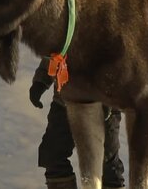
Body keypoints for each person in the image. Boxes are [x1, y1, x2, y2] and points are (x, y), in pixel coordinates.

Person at [30, 59, 125, 189]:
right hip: (65, 100)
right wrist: (41, 80)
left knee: (107, 163)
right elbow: (55, 49)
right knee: (52, 154)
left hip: (104, 103)